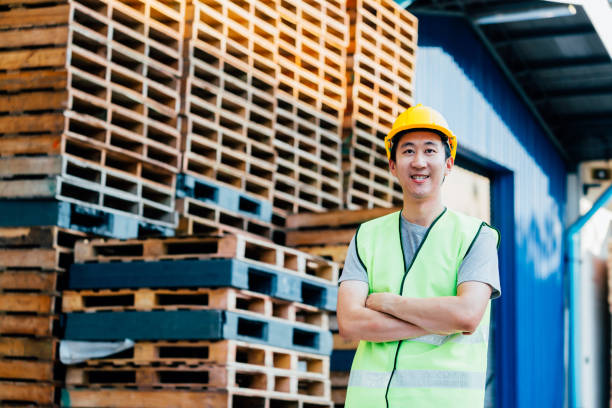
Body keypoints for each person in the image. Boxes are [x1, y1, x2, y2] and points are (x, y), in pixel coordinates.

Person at [337, 104, 501, 407]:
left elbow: (466, 315)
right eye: (408, 151)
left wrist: (388, 303)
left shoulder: (476, 237)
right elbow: (350, 322)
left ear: (448, 163)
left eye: (429, 150)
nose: (419, 162)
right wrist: (439, 322)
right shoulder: (367, 236)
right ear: (392, 165)